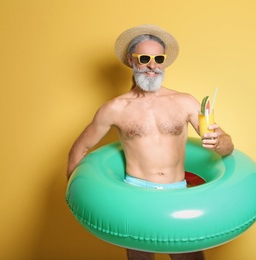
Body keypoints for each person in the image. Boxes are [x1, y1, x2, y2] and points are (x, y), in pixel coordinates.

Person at [67, 24, 234, 260]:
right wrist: (76, 193)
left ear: (164, 62)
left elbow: (228, 145)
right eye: (144, 58)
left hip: (178, 193)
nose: (152, 65)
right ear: (131, 60)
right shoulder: (115, 108)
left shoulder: (185, 102)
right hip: (135, 195)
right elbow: (79, 149)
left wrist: (220, 142)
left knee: (190, 258)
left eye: (158, 58)